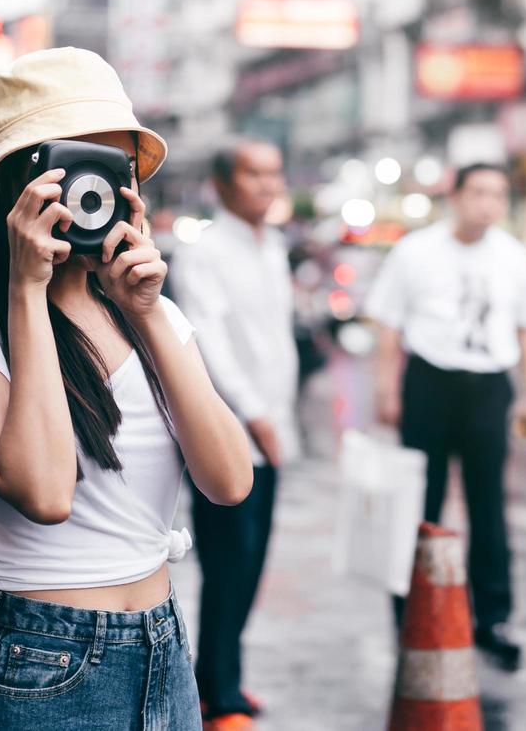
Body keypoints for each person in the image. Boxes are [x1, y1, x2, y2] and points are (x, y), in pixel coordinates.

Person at [0, 47, 253, 730]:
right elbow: (43, 491)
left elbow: (230, 481)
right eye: (73, 163)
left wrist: (147, 311)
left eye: (112, 167)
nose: (91, 190)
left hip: (163, 651)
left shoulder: (154, 314)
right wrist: (29, 290)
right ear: (19, 182)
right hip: (36, 664)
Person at [368, 162, 526, 672]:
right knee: (420, 508)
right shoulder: (416, 251)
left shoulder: (514, 257)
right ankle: (412, 616)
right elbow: (387, 324)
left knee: (488, 504)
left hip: (489, 386)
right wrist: (387, 390)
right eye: (479, 192)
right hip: (429, 381)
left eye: (498, 194)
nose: (489, 203)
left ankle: (493, 619)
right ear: (455, 196)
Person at [171, 139, 299, 729]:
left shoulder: (272, 245)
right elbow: (209, 343)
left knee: (252, 561)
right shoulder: (204, 252)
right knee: (228, 562)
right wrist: (256, 415)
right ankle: (218, 695)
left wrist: (279, 418)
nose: (267, 185)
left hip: (273, 428)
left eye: (273, 173)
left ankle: (223, 681)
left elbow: (275, 344)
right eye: (254, 174)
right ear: (223, 184)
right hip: (230, 432)